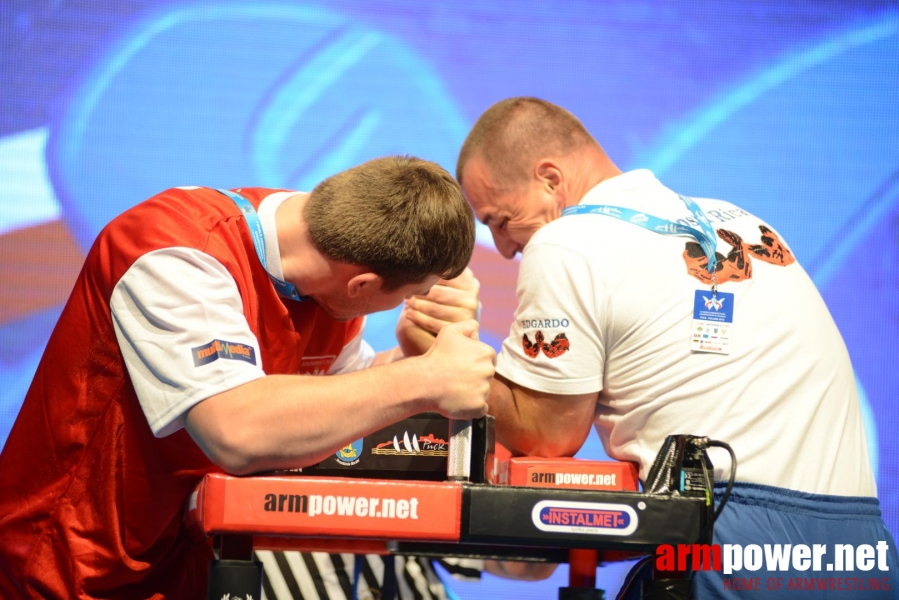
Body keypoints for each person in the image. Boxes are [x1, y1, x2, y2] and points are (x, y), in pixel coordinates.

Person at [451, 97, 898, 598]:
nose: (505, 246)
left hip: (733, 544)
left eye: (499, 219)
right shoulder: (742, 223)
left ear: (551, 179)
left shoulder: (566, 241)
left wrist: (447, 367)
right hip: (863, 550)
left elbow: (548, 434)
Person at [0, 155, 497, 599]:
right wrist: (423, 380)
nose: (406, 304)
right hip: (62, 566)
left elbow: (330, 403)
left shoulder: (327, 278)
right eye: (409, 296)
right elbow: (236, 430)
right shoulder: (174, 254)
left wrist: (409, 359)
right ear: (362, 284)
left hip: (178, 567)